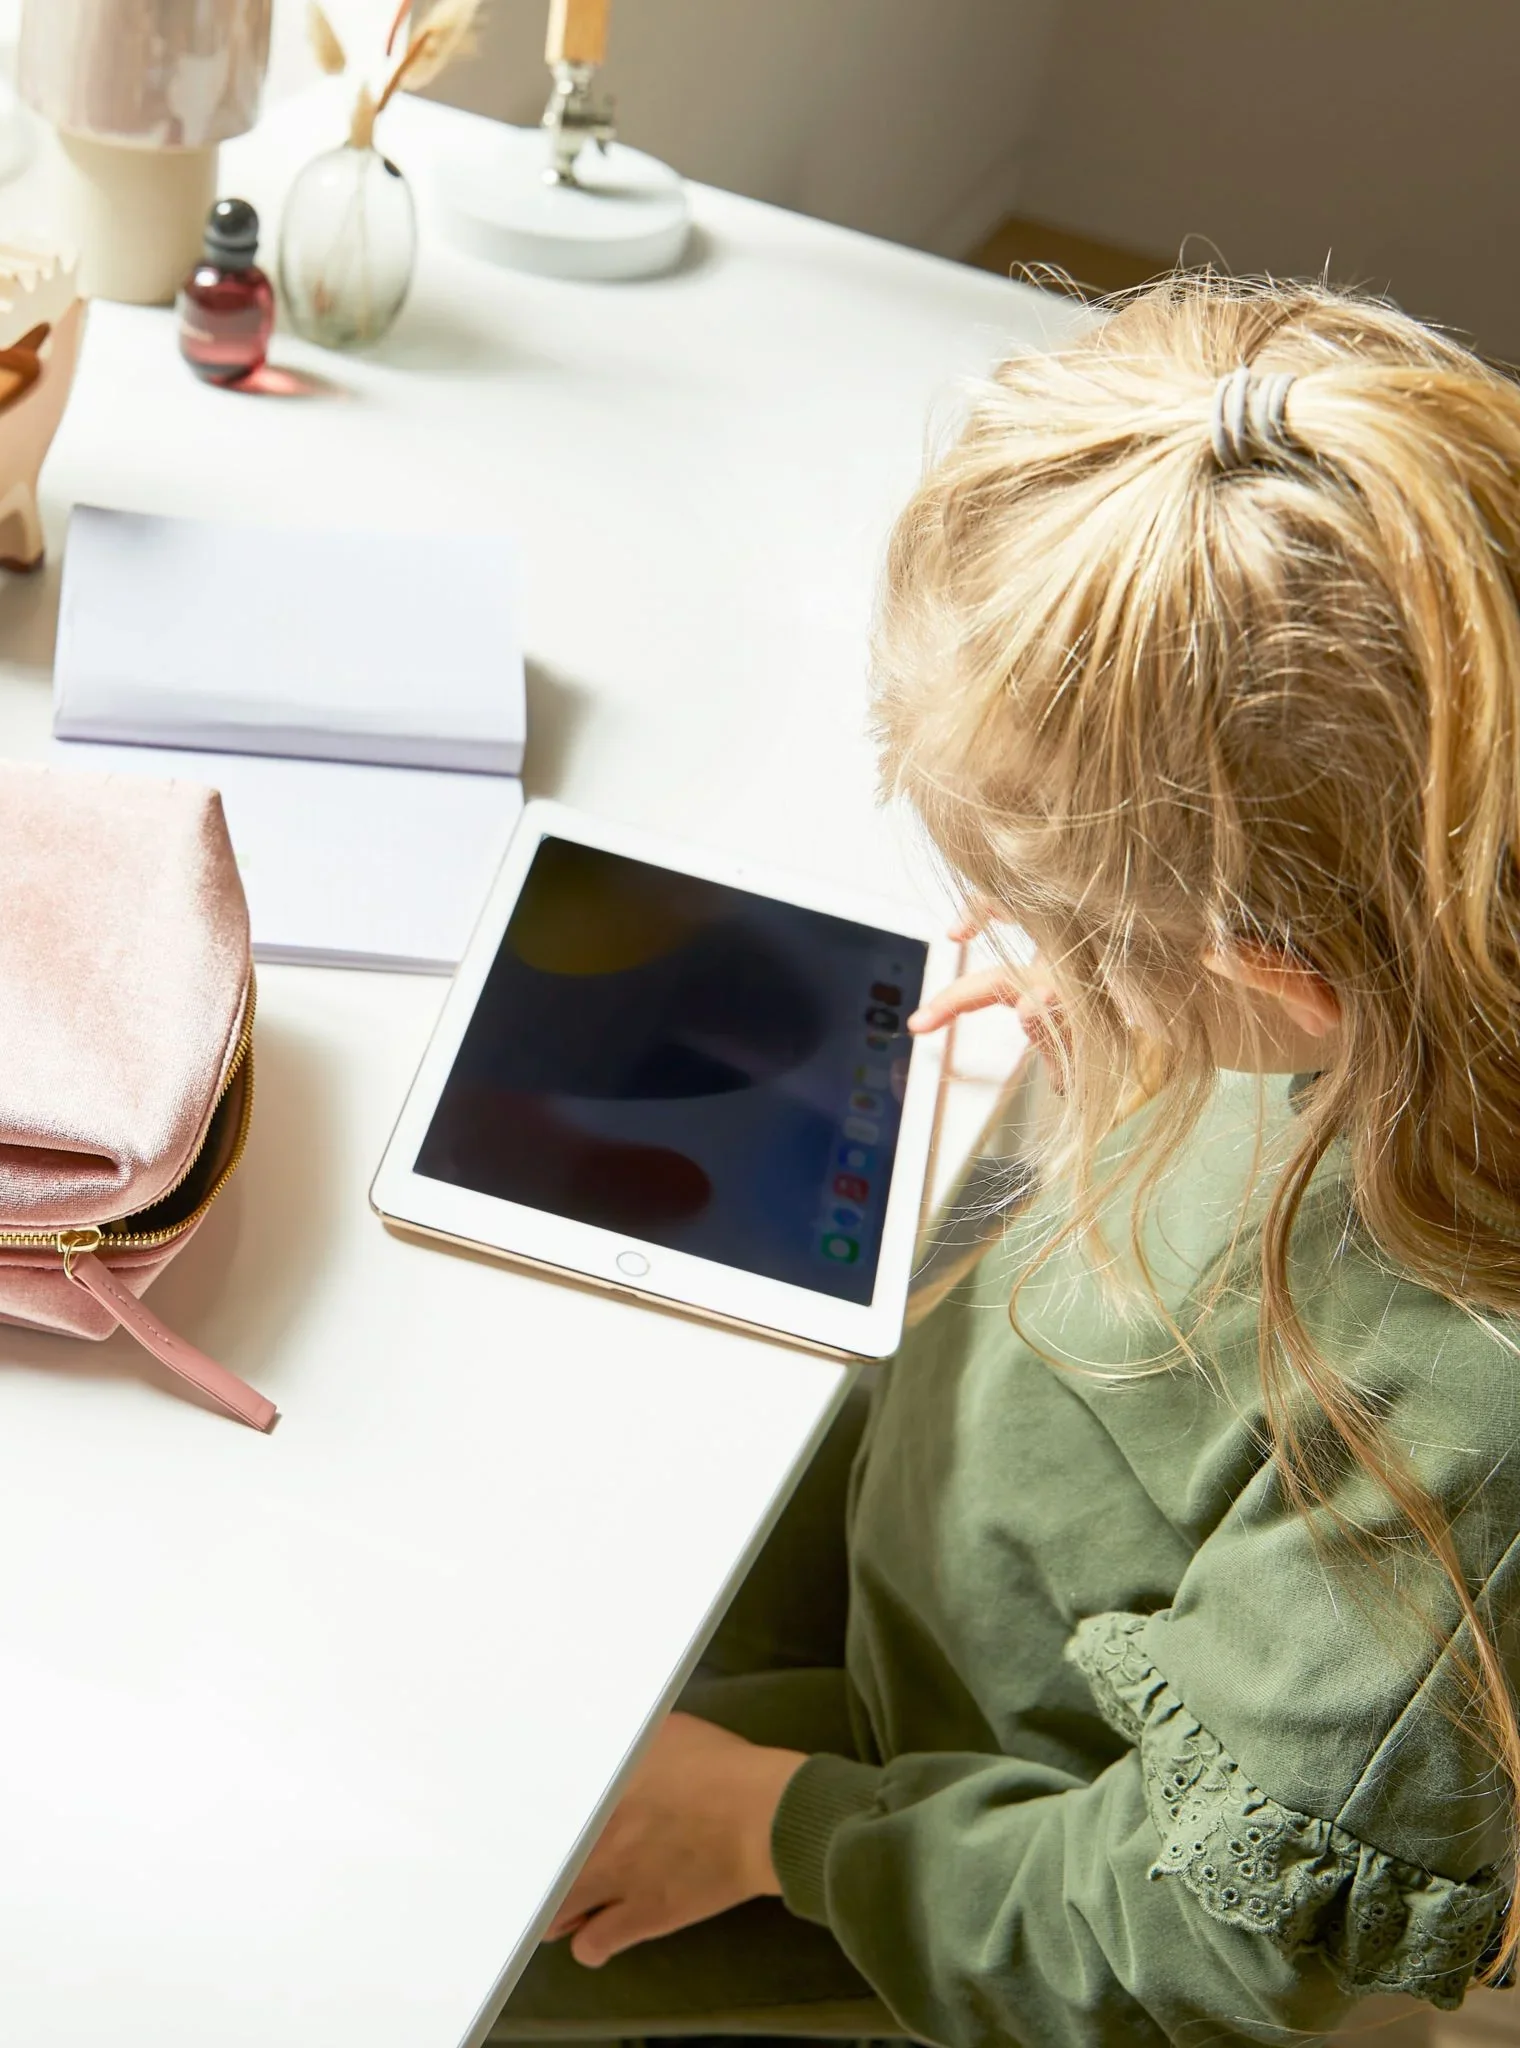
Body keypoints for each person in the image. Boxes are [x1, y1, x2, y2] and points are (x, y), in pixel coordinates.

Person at [493, 275, 1520, 2045]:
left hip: (975, 1847)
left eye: (1062, 919)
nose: (1005, 942)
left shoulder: (1463, 1420)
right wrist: (1106, 967)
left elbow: (1184, 1958)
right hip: (929, 1581)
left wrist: (774, 1828)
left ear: (1280, 970)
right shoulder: (1410, 902)